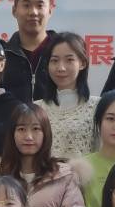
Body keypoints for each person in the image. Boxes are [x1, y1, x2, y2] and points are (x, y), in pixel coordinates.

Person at [35, 31, 99, 160]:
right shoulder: (36, 108)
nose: (61, 68)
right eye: (54, 60)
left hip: (85, 173)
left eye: (69, 60)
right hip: (43, 173)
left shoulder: (97, 106)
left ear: (82, 63)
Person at [2, 0, 56, 102]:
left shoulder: (63, 53)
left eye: (40, 6)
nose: (33, 12)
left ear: (50, 11)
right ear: (14, 11)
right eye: (26, 5)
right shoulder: (1, 55)